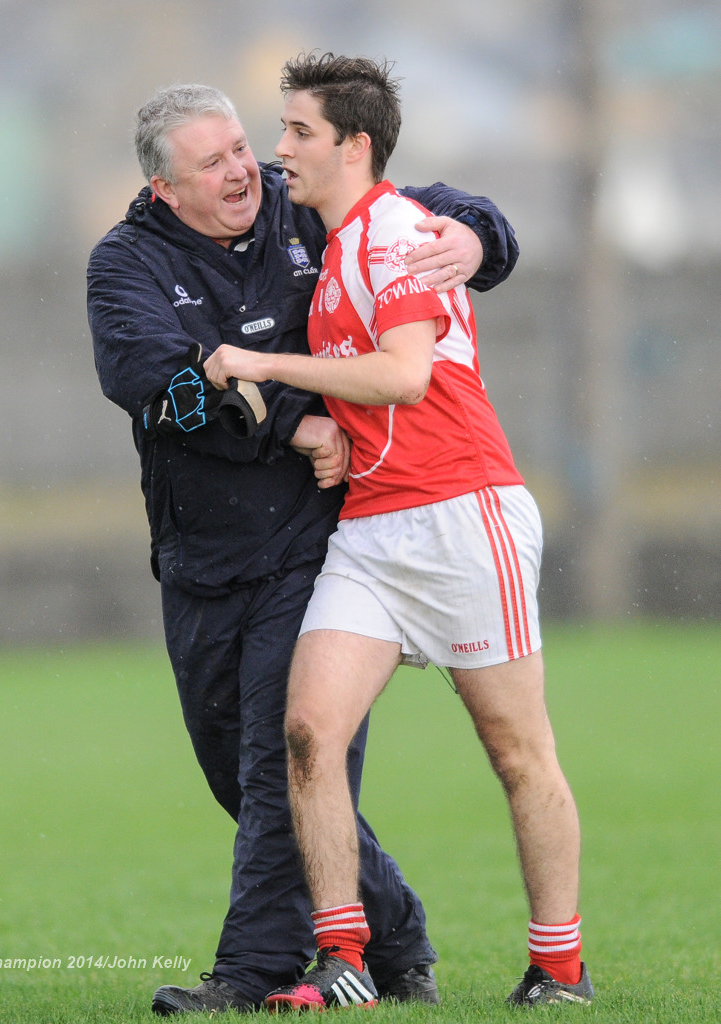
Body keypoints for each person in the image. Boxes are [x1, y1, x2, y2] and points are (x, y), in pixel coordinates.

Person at [87, 81, 520, 1013]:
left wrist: (480, 238)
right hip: (200, 559)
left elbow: (430, 211)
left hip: (319, 548)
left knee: (281, 762)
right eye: (213, 162)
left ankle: (248, 974)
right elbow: (160, 392)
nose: (245, 169)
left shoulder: (307, 210)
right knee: (243, 782)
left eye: (243, 147)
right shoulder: (122, 263)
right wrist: (289, 421)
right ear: (165, 188)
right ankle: (395, 932)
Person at [204, 52, 592, 1011]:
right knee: (307, 732)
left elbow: (406, 376)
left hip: (463, 514)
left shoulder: (391, 234)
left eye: (297, 131)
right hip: (373, 529)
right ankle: (343, 964)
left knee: (516, 752)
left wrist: (265, 361)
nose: (278, 148)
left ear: (354, 144)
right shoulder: (335, 243)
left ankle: (559, 968)